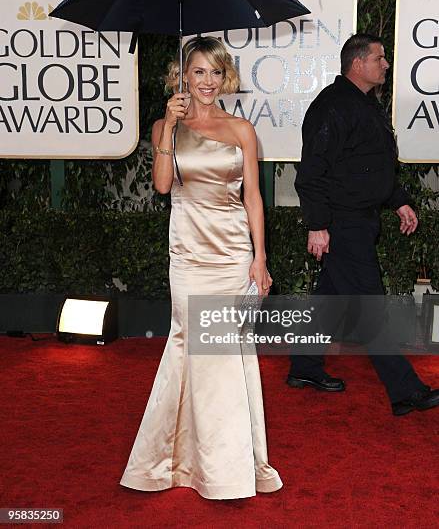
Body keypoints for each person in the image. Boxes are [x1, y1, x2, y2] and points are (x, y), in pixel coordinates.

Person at [120, 36, 282, 498]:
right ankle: (173, 459)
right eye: (198, 72)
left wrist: (260, 258)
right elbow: (163, 185)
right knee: (187, 347)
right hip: (188, 253)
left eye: (215, 72)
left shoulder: (242, 130)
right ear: (182, 76)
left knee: (225, 354)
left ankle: (227, 467)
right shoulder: (161, 126)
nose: (207, 82)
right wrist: (171, 126)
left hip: (232, 254)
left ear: (224, 76)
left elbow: (253, 197)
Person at [288, 33, 439, 417]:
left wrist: (398, 199)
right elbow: (312, 172)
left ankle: (304, 368)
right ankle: (405, 390)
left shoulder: (362, 104)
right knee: (372, 306)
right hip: (342, 224)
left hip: (356, 220)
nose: (386, 64)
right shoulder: (333, 107)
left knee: (330, 300)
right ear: (358, 63)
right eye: (380, 58)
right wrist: (318, 225)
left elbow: (366, 167)